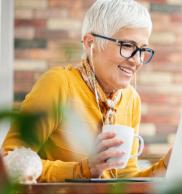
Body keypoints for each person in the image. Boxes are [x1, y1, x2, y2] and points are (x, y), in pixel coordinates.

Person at [2, 0, 171, 182]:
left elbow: (123, 179)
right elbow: (9, 163)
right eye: (128, 46)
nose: (136, 60)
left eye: (142, 50)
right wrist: (83, 169)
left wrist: (167, 166)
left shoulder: (131, 99)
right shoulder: (59, 84)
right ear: (91, 43)